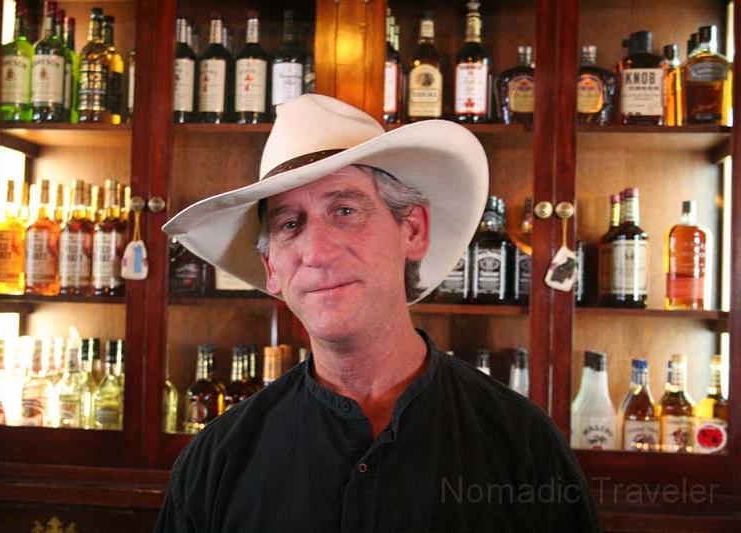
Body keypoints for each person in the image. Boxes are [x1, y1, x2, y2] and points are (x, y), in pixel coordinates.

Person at [155, 94, 601, 532]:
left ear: (412, 231)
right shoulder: (218, 458)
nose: (317, 251)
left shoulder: (521, 444)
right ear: (272, 269)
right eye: (289, 224)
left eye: (345, 210)